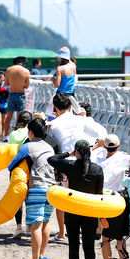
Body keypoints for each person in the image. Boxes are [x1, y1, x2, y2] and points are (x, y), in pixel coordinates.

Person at [47, 93, 106, 242]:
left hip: (66, 163)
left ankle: (62, 232)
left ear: (55, 108)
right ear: (70, 106)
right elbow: (100, 134)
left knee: (62, 196)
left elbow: (52, 145)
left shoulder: (53, 124)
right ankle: (87, 229)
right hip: (85, 160)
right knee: (85, 194)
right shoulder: (80, 119)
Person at [48, 140, 104, 259]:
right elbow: (99, 195)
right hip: (90, 211)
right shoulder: (97, 169)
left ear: (77, 151)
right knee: (89, 245)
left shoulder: (70, 166)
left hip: (73, 210)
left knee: (73, 245)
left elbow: (51, 159)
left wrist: (69, 154)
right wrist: (101, 217)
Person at [8, 118, 57, 259]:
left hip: (36, 186)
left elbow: (11, 166)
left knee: (36, 224)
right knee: (46, 222)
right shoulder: (50, 147)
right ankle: (42, 255)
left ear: (30, 132)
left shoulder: (27, 146)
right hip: (51, 188)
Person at [93, 134, 130, 259]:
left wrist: (96, 146)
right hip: (121, 199)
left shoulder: (98, 160)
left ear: (105, 147)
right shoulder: (125, 158)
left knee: (105, 238)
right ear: (118, 146)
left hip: (105, 201)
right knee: (120, 237)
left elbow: (85, 156)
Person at [3, 57, 32, 140]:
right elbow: (26, 86)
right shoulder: (26, 71)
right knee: (20, 117)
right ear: (23, 63)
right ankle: (18, 135)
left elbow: (6, 83)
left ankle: (6, 136)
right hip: (21, 94)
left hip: (11, 94)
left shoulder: (9, 70)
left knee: (8, 116)